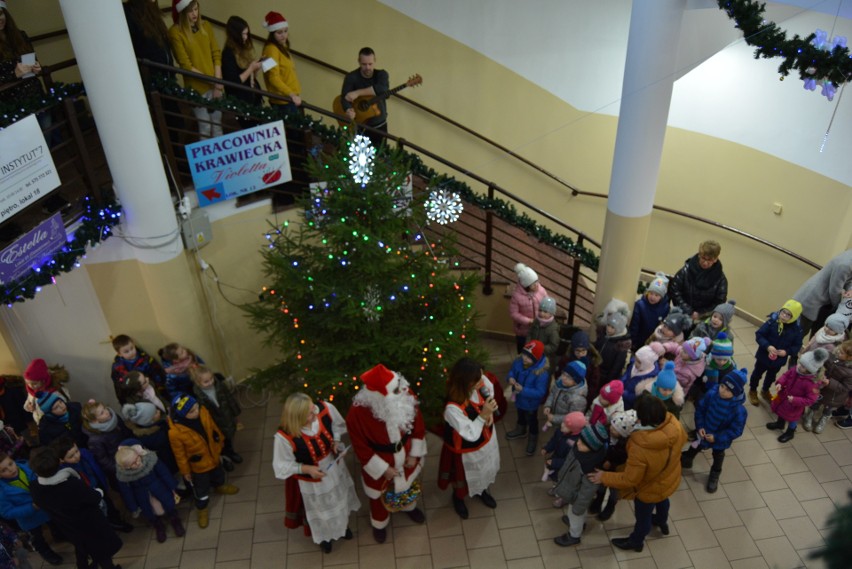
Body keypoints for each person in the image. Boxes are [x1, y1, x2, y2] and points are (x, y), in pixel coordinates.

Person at [588, 395, 687, 553]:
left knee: (643, 517)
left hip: (648, 488)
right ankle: (662, 522)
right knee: (663, 500)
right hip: (669, 476)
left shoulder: (640, 445)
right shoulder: (673, 423)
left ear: (643, 419)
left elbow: (630, 479)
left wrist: (604, 477)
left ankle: (636, 541)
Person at [346, 364, 427, 544]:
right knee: (379, 497)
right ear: (380, 397)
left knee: (408, 485)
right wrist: (383, 469)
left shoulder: (405, 394)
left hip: (406, 454)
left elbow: (418, 424)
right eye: (397, 389)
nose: (403, 390)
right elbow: (360, 447)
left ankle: (409, 507)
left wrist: (414, 453)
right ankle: (379, 524)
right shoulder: (357, 413)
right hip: (381, 460)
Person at [273, 393, 359, 552]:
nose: (315, 414)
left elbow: (336, 426)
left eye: (313, 409)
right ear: (297, 417)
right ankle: (325, 537)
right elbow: (281, 465)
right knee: (320, 509)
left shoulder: (324, 409)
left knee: (339, 499)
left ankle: (342, 527)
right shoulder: (283, 437)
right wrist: (305, 469)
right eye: (310, 414)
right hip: (312, 481)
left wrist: (337, 443)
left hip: (334, 469)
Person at [29, 446, 123, 569]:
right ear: (59, 462)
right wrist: (99, 491)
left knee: (81, 547)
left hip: (67, 526)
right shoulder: (71, 484)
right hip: (90, 525)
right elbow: (94, 498)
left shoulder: (35, 487)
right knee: (102, 552)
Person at [438, 358, 500, 520]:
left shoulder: (481, 382)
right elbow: (470, 434)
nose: (482, 381)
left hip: (486, 440)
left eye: (481, 376)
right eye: (477, 379)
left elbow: (490, 393)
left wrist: (490, 414)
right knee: (462, 478)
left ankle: (482, 490)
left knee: (483, 469)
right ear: (466, 381)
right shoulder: (452, 407)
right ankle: (458, 498)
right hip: (466, 449)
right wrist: (483, 415)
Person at [167, 394, 238, 529]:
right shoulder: (175, 433)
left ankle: (220, 485)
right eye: (192, 411)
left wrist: (220, 440)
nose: (196, 412)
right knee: (201, 487)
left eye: (196, 407)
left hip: (213, 455)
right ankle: (202, 508)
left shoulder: (203, 412)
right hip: (198, 466)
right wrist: (185, 471)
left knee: (218, 473)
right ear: (182, 415)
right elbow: (180, 455)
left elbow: (213, 429)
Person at [681, 368, 748, 493]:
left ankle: (715, 474)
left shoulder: (739, 411)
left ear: (736, 392)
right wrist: (700, 426)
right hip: (703, 432)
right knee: (696, 445)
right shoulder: (712, 394)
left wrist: (716, 438)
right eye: (722, 386)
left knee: (718, 456)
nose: (723, 391)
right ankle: (687, 459)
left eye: (728, 390)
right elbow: (700, 410)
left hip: (719, 440)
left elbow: (736, 431)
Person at [52, 435, 133, 534]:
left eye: (76, 451)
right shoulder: (63, 472)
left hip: (99, 486)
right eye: (71, 456)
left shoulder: (85, 454)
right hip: (87, 495)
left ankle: (115, 521)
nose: (77, 456)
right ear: (61, 460)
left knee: (109, 505)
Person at [168, 0, 223, 139]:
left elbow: (216, 53)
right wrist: (212, 81)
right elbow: (185, 64)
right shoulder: (176, 32)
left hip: (214, 84)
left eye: (196, 9)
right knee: (205, 128)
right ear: (182, 12)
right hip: (196, 88)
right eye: (190, 11)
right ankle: (205, 161)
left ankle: (220, 159)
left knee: (217, 125)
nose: (194, 14)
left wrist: (217, 82)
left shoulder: (206, 26)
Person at [115, 441, 185, 543]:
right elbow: (127, 492)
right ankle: (158, 525)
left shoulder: (150, 460)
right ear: (126, 467)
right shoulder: (124, 476)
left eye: (137, 458)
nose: (137, 462)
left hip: (160, 488)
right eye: (133, 463)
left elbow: (164, 473)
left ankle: (175, 520)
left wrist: (172, 486)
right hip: (143, 496)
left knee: (168, 505)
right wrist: (133, 507)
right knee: (150, 511)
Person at [0, 452, 63, 565]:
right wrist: (31, 507)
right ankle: (45, 552)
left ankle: (58, 535)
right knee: (37, 538)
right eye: (3, 470)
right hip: (29, 519)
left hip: (47, 509)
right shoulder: (2, 491)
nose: (10, 469)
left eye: (10, 464)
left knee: (54, 523)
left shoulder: (29, 467)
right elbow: (7, 512)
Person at [552, 423, 609, 547]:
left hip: (577, 497)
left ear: (593, 448)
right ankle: (575, 522)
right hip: (571, 488)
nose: (578, 443)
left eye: (583, 443)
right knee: (573, 513)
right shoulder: (580, 449)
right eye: (580, 440)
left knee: (576, 514)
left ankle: (574, 535)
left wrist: (578, 507)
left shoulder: (591, 467)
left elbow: (587, 493)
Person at [748, 300, 804, 406]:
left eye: (788, 315)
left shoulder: (797, 330)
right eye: (783, 312)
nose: (783, 316)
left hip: (778, 360)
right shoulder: (772, 322)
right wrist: (767, 346)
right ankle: (753, 390)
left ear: (794, 317)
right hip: (763, 356)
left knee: (771, 377)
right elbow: (759, 335)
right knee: (756, 374)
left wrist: (787, 352)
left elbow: (797, 346)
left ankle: (765, 390)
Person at [766, 348, 829, 443]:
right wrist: (780, 383)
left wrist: (795, 400)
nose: (799, 366)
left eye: (803, 367)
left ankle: (790, 432)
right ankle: (780, 423)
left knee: (793, 419)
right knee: (781, 411)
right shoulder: (796, 369)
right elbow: (786, 375)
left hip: (795, 405)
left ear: (810, 370)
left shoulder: (812, 383)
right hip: (784, 397)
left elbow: (810, 400)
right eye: (800, 363)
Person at [190, 365, 242, 469]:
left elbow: (229, 398)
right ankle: (224, 458)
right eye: (206, 382)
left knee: (228, 438)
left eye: (211, 379)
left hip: (226, 417)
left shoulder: (220, 386)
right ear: (198, 383)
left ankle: (231, 452)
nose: (210, 382)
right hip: (214, 423)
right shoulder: (198, 396)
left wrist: (235, 412)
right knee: (217, 442)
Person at [589, 410, 637, 521]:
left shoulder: (627, 445)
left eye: (616, 429)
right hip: (602, 467)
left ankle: (610, 506)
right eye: (612, 425)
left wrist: (612, 462)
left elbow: (623, 458)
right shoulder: (606, 432)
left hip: (617, 472)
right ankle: (598, 499)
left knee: (614, 491)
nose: (611, 429)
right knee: (601, 486)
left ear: (624, 433)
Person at [792, 248, 852, 338]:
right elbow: (835, 290)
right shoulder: (845, 265)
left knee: (815, 336)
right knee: (795, 336)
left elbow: (848, 279)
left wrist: (850, 290)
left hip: (822, 303)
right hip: (812, 300)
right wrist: (840, 307)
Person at [505, 340, 549, 456]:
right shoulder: (518, 362)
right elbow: (512, 372)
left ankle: (533, 437)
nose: (525, 358)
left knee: (532, 420)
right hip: (519, 398)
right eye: (524, 354)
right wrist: (510, 378)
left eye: (529, 357)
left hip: (530, 403)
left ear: (536, 359)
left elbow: (540, 392)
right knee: (520, 414)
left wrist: (523, 390)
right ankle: (521, 429)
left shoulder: (541, 373)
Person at [669, 240, 728, 323]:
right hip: (683, 313)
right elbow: (675, 290)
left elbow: (719, 301)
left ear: (715, 259)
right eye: (703, 258)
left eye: (710, 260)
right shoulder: (686, 270)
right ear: (699, 255)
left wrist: (700, 313)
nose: (705, 263)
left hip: (704, 319)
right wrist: (689, 311)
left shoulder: (721, 279)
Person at [340, 47, 390, 146]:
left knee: (380, 156)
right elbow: (344, 98)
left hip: (380, 125)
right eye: (364, 64)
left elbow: (383, 90)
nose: (367, 67)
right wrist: (348, 109)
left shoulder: (381, 74)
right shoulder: (351, 77)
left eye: (370, 64)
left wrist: (357, 93)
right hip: (360, 125)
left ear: (375, 61)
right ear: (359, 62)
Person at [221, 15, 263, 128]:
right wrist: (251, 69)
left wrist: (255, 69)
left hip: (253, 99)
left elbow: (250, 76)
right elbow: (233, 81)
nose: (246, 37)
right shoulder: (228, 54)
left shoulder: (243, 49)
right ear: (235, 34)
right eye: (243, 34)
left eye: (247, 34)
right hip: (242, 103)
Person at [81, 400, 133, 486]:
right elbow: (104, 461)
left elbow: (127, 433)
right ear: (95, 421)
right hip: (119, 469)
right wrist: (121, 467)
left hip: (130, 455)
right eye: (102, 413)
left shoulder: (114, 418)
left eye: (105, 408)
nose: (107, 412)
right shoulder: (95, 440)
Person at [261, 11, 301, 113]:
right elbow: (273, 78)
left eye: (285, 31)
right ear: (272, 33)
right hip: (283, 101)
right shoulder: (270, 49)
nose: (284, 35)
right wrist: (290, 94)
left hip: (289, 99)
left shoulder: (282, 47)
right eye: (279, 32)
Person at [110, 335, 166, 402]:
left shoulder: (145, 359)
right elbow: (120, 387)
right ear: (119, 354)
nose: (131, 352)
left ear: (134, 344)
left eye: (132, 348)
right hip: (136, 397)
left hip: (152, 389)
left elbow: (156, 373)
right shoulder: (117, 367)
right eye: (126, 351)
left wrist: (160, 388)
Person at [509, 263, 549, 354]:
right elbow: (513, 313)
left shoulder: (541, 290)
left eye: (537, 281)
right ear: (526, 286)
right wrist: (528, 321)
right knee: (523, 349)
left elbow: (547, 302)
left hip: (538, 328)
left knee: (535, 348)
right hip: (523, 330)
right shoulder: (517, 296)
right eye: (533, 284)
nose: (536, 285)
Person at [556, 330, 602, 405]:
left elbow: (594, 384)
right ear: (573, 349)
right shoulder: (566, 360)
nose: (580, 354)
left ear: (588, 349)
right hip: (565, 393)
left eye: (583, 351)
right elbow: (558, 375)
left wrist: (586, 398)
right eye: (577, 351)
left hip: (582, 397)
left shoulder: (593, 363)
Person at [629, 273, 671, 352]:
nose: (652, 297)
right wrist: (633, 341)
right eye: (651, 293)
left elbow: (662, 327)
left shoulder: (665, 308)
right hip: (638, 342)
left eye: (656, 295)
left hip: (653, 344)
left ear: (661, 297)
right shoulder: (640, 305)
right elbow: (634, 325)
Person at [541, 412, 585, 487]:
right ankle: (552, 474)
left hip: (564, 465)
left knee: (559, 477)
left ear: (573, 430)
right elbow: (554, 440)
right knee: (552, 469)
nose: (562, 425)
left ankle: (557, 488)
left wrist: (555, 462)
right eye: (563, 422)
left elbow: (570, 460)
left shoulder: (576, 443)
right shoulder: (560, 431)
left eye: (566, 426)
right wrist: (547, 448)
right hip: (557, 456)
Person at [543, 361, 588, 432]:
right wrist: (548, 405)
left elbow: (572, 418)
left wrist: (554, 418)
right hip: (554, 418)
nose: (563, 378)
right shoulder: (560, 382)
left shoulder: (578, 399)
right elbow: (552, 393)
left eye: (569, 377)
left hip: (565, 427)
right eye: (563, 374)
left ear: (576, 381)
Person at [21, 359, 69, 423]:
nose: (31, 386)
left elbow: (65, 401)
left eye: (34, 383)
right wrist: (28, 406)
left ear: (43, 380)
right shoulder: (32, 391)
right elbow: (28, 400)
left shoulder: (55, 391)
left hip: (56, 421)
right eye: (28, 383)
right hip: (40, 422)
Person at [619, 343, 664, 410]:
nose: (635, 362)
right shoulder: (634, 365)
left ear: (646, 363)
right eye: (635, 358)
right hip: (619, 397)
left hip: (628, 405)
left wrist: (624, 393)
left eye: (639, 362)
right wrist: (619, 383)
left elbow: (639, 398)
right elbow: (626, 375)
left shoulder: (651, 379)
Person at [594, 306, 632, 385]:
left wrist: (609, 381)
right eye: (608, 325)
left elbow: (616, 367)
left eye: (612, 327)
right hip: (595, 369)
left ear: (619, 329)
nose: (609, 329)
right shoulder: (603, 335)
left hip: (605, 375)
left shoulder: (621, 345)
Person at [526, 296, 561, 370]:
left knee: (541, 373)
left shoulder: (553, 329)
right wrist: (528, 344)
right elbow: (530, 333)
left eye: (545, 312)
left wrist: (539, 349)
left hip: (545, 357)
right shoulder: (536, 321)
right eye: (540, 310)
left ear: (551, 314)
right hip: (532, 352)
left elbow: (553, 346)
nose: (541, 313)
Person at [824, 341, 852, 430]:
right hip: (828, 389)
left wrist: (830, 382)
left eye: (841, 352)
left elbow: (845, 388)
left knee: (829, 406)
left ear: (850, 357)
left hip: (835, 394)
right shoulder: (838, 359)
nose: (838, 352)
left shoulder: (850, 372)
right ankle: (844, 410)